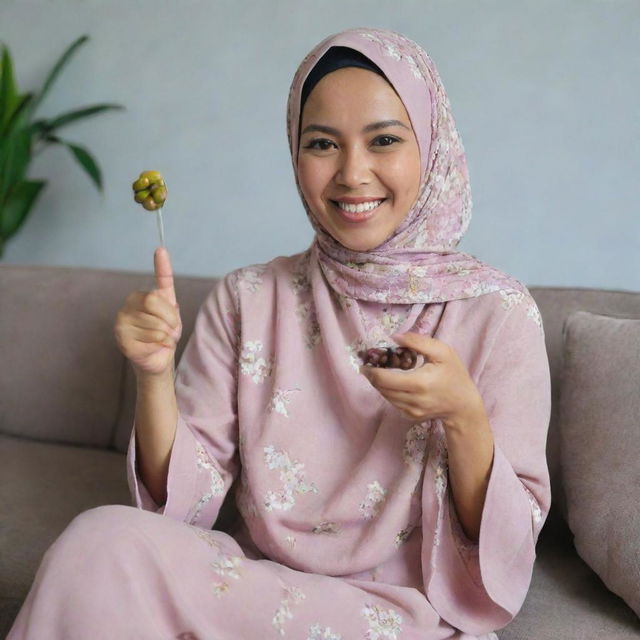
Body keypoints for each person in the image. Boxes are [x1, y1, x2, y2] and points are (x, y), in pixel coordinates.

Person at [8, 27, 551, 639]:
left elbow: (509, 550)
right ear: (295, 155)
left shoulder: (498, 313)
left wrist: (464, 417)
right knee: (100, 541)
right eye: (322, 143)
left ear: (433, 148)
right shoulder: (249, 297)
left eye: (385, 140)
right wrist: (154, 376)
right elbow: (180, 511)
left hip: (395, 617)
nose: (352, 173)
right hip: (254, 591)